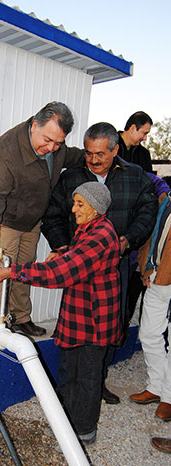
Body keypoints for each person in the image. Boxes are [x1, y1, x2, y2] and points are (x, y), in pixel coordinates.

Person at [0, 181, 122, 444]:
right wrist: (62, 252)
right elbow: (75, 257)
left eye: (80, 204)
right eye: (75, 202)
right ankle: (66, 423)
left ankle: (83, 430)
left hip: (93, 321)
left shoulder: (101, 235)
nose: (73, 209)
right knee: (69, 372)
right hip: (78, 315)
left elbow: (63, 273)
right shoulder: (89, 228)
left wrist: (14, 272)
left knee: (86, 379)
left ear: (97, 207)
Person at [41, 122, 158, 404]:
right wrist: (62, 247)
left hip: (117, 266)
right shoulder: (71, 177)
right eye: (88, 153)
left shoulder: (135, 175)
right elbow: (53, 214)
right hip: (78, 266)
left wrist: (128, 239)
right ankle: (68, 391)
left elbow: (148, 211)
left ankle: (96, 382)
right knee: (73, 327)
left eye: (100, 155)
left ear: (115, 150)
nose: (93, 160)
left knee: (108, 326)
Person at [0, 102, 84, 337]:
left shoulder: (57, 147)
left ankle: (21, 318)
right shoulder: (7, 150)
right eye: (47, 140)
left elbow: (75, 157)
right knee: (3, 275)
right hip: (6, 224)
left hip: (32, 223)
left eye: (58, 143)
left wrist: (99, 156)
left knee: (24, 272)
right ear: (35, 125)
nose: (52, 147)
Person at [117, 112, 170, 325]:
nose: (145, 138)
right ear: (132, 128)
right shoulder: (112, 146)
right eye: (144, 132)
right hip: (117, 224)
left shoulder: (144, 154)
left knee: (134, 283)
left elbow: (150, 184)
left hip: (137, 228)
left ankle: (125, 326)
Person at [129, 191, 171, 421]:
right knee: (148, 335)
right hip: (155, 278)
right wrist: (146, 268)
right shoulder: (164, 201)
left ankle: (169, 397)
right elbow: (150, 237)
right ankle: (156, 386)